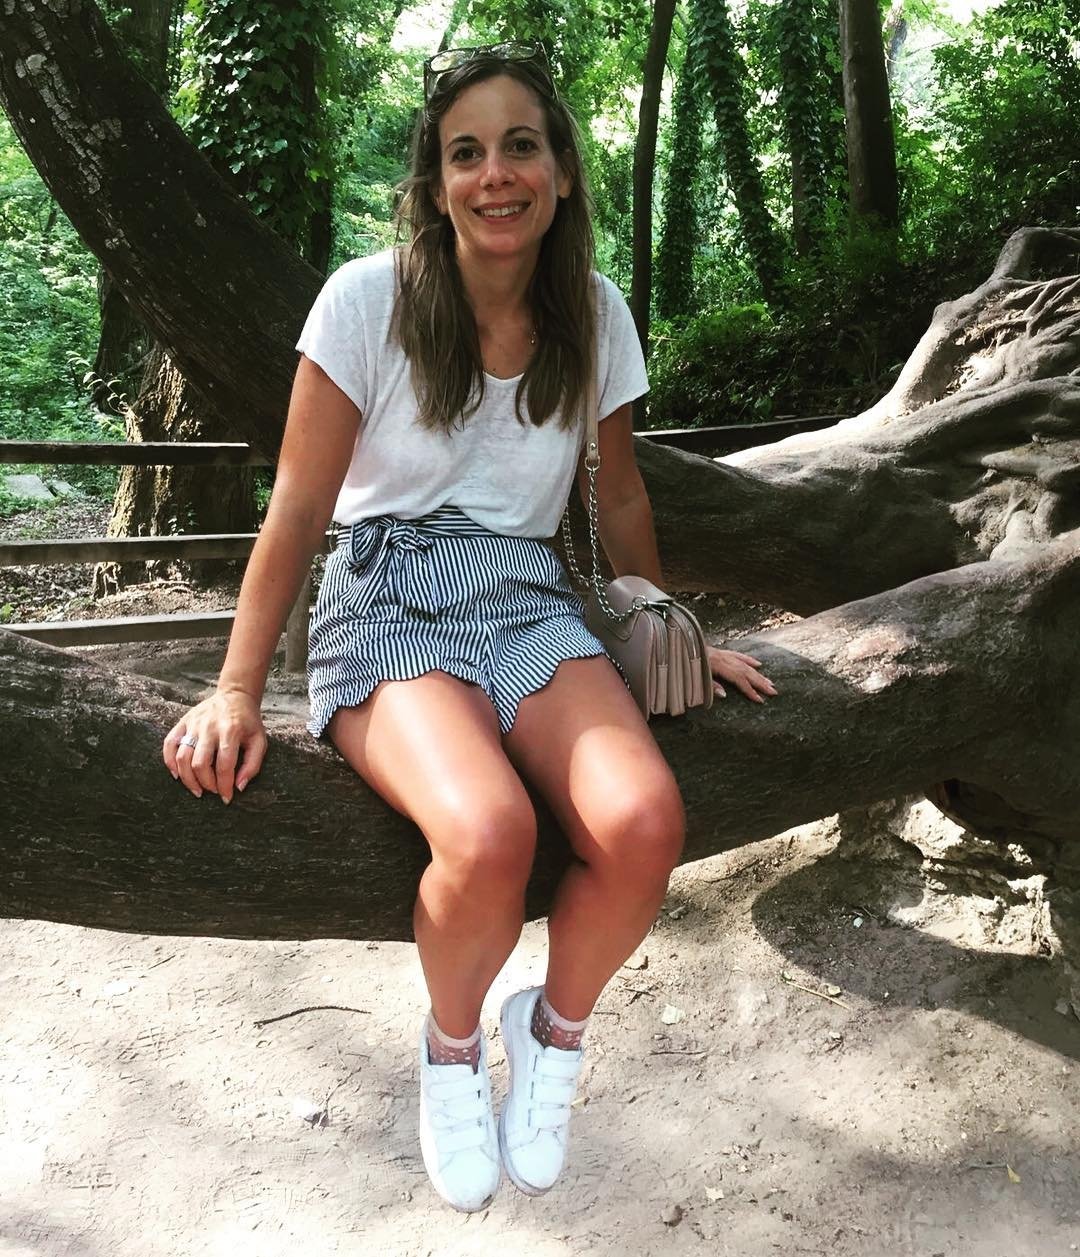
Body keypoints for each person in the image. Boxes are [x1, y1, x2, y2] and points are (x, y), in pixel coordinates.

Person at [162, 42, 776, 1213]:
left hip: (528, 600)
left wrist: (668, 628)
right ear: (437, 181)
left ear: (561, 172)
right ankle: (452, 1054)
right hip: (387, 595)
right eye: (466, 153)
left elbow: (622, 495)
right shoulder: (367, 300)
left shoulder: (594, 314)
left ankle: (551, 1033)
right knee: (489, 833)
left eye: (520, 146)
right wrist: (237, 686)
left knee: (645, 822)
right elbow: (298, 501)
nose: (496, 174)